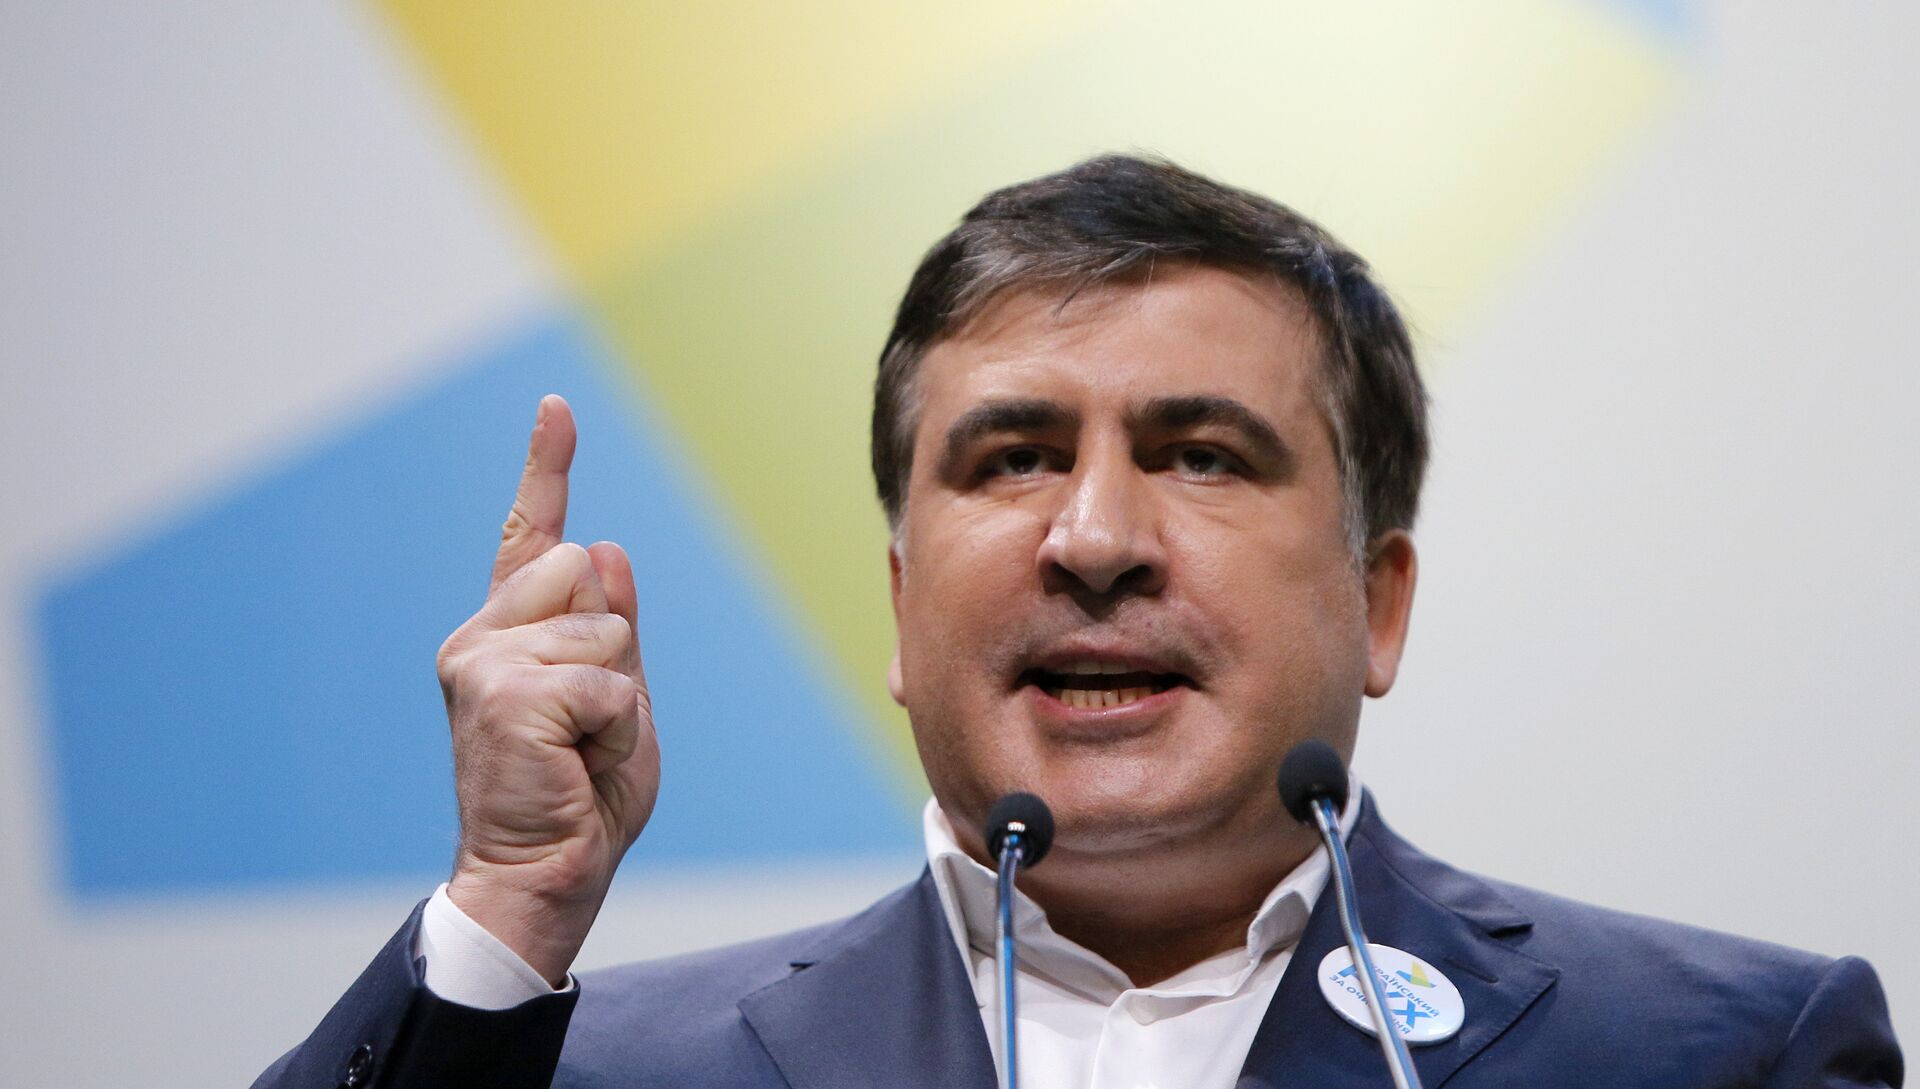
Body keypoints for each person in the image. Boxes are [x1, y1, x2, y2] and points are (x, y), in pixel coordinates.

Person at [254, 155, 1902, 1088]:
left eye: (1201, 454)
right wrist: (509, 912)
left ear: (1378, 602)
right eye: (1014, 457)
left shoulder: (1716, 1055)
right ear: (903, 607)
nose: (1096, 539)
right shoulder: (580, 1068)